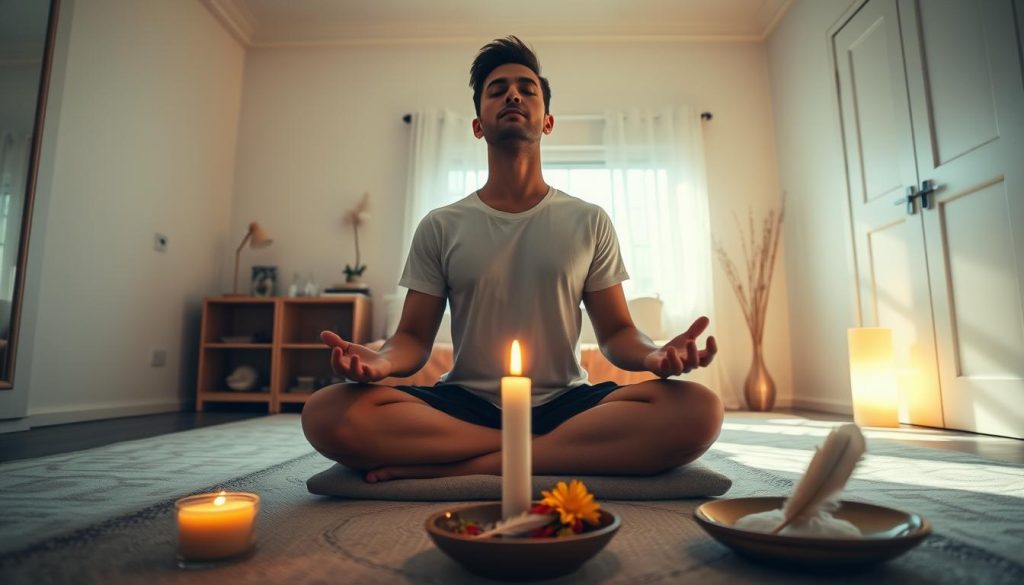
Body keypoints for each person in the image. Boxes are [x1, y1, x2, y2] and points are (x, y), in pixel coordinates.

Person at [302, 36, 723, 483]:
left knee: (699, 409)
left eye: (527, 88)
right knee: (327, 413)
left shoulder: (588, 220)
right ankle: (542, 455)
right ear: (478, 124)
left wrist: (655, 354)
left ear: (547, 122)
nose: (513, 95)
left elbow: (617, 333)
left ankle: (477, 464)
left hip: (565, 405)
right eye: (497, 89)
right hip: (467, 406)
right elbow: (410, 338)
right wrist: (381, 363)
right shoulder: (441, 225)